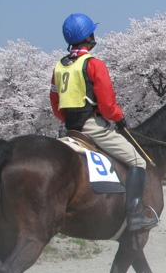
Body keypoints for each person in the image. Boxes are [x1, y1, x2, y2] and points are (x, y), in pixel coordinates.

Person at [50, 13, 159, 231]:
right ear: (88, 37)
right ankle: (135, 215)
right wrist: (120, 120)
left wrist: (72, 122)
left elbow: (55, 104)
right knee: (138, 161)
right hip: (93, 127)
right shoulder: (93, 64)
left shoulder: (59, 67)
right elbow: (108, 106)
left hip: (71, 128)